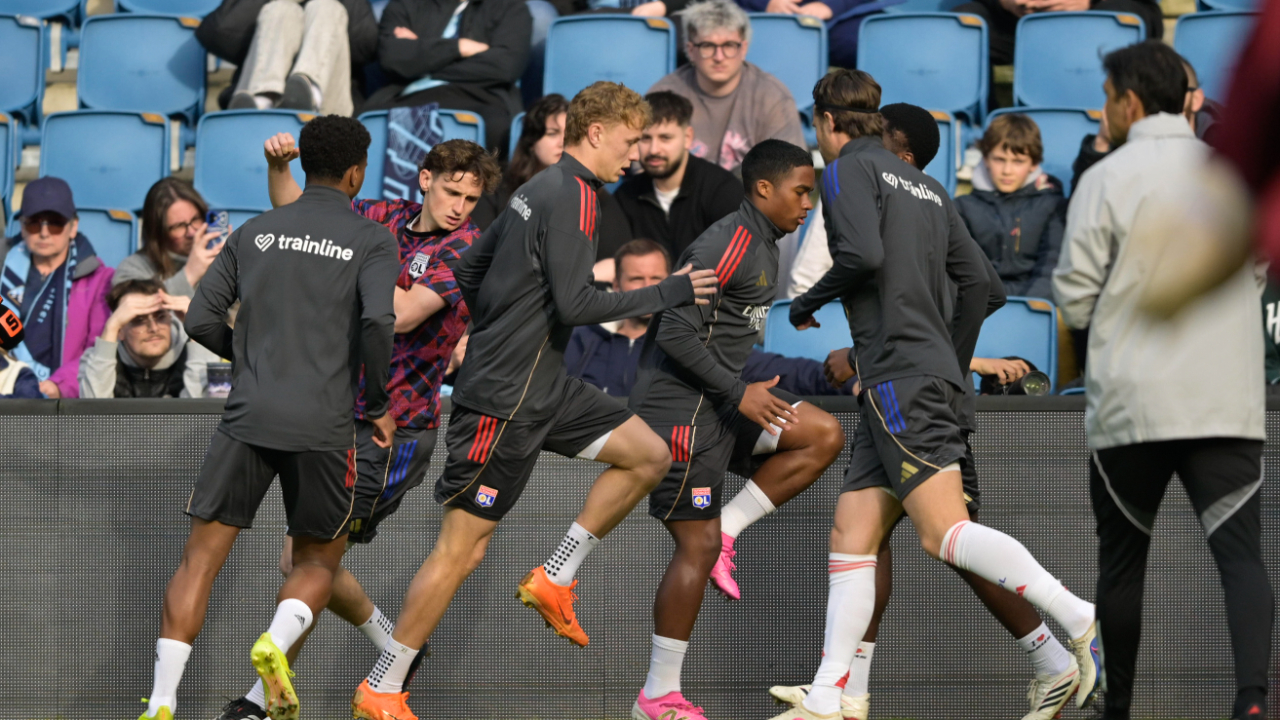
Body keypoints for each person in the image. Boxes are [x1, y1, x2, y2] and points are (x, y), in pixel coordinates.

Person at [348, 81, 718, 720]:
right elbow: (577, 305)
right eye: (630, 141)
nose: (633, 156)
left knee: (649, 455)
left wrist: (497, 327)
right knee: (462, 550)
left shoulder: (535, 187)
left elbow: (467, 273)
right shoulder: (574, 196)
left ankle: (555, 575)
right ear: (597, 133)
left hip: (543, 384)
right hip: (501, 401)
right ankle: (383, 685)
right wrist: (670, 292)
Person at [767, 69, 1097, 720]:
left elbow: (859, 255)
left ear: (828, 122)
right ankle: (834, 694)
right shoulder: (932, 191)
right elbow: (987, 287)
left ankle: (1082, 620)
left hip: (898, 377)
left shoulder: (849, 173)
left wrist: (806, 303)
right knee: (853, 533)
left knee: (945, 535)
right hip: (920, 375)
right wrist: (948, 356)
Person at [201, 135, 500, 720]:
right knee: (307, 563)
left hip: (397, 430)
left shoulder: (467, 248)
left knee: (306, 561)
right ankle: (393, 647)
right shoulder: (380, 217)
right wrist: (279, 167)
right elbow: (298, 216)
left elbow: (401, 313)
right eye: (451, 190)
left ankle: (259, 704)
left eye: (471, 196)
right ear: (425, 179)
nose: (460, 205)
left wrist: (331, 269)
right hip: (338, 416)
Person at [136, 115, 399, 720]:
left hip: (247, 415)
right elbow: (379, 324)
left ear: (304, 166)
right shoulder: (372, 240)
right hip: (325, 424)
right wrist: (377, 404)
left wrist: (250, 357)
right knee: (315, 562)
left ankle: (163, 700)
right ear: (357, 172)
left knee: (197, 560)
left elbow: (201, 319)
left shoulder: (256, 231)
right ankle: (274, 643)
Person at [1054, 41, 1273, 720]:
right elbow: (1260, 271)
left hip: (1132, 406)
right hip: (1225, 403)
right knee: (1241, 558)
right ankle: (1253, 703)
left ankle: (1118, 709)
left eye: (1106, 94)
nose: (1102, 108)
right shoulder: (1231, 176)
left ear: (1127, 101)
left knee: (1123, 565)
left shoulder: (1105, 177)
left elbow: (1074, 295)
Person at [629, 140, 845, 720]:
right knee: (693, 546)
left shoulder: (767, 246)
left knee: (821, 434)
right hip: (681, 411)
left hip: (724, 403)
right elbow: (672, 330)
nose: (808, 204)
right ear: (764, 188)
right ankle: (658, 695)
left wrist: (743, 385)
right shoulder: (727, 240)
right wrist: (737, 389)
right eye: (801, 192)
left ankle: (730, 526)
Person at [566, 239, 856, 397]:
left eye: (657, 278)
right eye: (636, 279)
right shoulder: (582, 341)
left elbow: (779, 370)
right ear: (616, 286)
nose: (650, 288)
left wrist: (846, 380)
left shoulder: (695, 340)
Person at [471, 93, 633, 281]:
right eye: (552, 133)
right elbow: (478, 256)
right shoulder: (498, 188)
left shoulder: (596, 196)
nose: (563, 142)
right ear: (531, 142)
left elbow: (620, 262)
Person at [648, 0, 807, 173]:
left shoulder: (772, 97)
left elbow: (791, 174)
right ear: (691, 50)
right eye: (707, 46)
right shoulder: (664, 94)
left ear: (743, 48)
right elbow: (644, 169)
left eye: (729, 46)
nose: (719, 57)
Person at [363, 0, 532, 154]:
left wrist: (422, 55)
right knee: (361, 127)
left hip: (479, 97)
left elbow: (505, 66)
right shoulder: (405, 5)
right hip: (407, 95)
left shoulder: (510, 7)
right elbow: (391, 57)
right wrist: (460, 47)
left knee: (498, 129)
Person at [0, 177, 114, 400]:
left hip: (63, 401)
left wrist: (58, 385)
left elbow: (97, 348)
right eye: (34, 222)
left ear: (73, 227)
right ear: (22, 226)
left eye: (55, 223)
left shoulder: (101, 280)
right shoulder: (3, 267)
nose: (44, 233)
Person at [615, 91, 744, 260]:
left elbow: (741, 267)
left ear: (687, 138)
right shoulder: (626, 197)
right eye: (645, 138)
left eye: (665, 138)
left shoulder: (723, 192)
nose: (654, 149)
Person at [1071, 56, 1221, 195]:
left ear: (1196, 100)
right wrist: (1102, 143)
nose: (1166, 98)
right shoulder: (1122, 147)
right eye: (1154, 92)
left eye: (1178, 91)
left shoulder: (1222, 151)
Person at [197, 0, 378, 115]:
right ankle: (264, 98)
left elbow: (366, 45)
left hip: (328, 109)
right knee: (280, 9)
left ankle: (308, 91)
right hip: (253, 99)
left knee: (326, 7)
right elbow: (217, 32)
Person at [956, 114, 1065, 301]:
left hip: (1035, 308)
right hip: (979, 308)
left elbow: (1050, 270)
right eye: (999, 159)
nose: (1007, 170)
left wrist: (1023, 313)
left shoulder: (1054, 206)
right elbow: (961, 273)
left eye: (1018, 161)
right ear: (986, 158)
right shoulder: (962, 207)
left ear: (1034, 163)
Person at [78, 279, 216, 399]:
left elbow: (199, 420)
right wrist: (110, 327)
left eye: (160, 316)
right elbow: (93, 419)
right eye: (139, 320)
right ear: (120, 330)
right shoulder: (96, 360)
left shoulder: (198, 354)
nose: (154, 328)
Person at [951, 0, 1161, 67]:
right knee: (961, 22)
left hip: (1088, 29)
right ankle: (977, 124)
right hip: (1018, 32)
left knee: (1122, 15)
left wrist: (1086, 2)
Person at [115, 178, 226, 299]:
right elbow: (136, 311)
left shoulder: (220, 259)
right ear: (157, 233)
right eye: (179, 226)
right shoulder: (133, 268)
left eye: (195, 219)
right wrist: (189, 274)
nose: (192, 232)